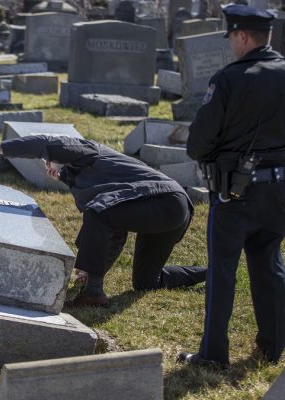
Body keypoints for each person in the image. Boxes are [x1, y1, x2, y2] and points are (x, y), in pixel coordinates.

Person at [0, 135, 206, 307]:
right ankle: (209, 273)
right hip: (175, 207)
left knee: (99, 212)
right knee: (146, 281)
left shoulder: (88, 149)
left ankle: (93, 293)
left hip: (164, 200)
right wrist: (95, 267)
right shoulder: (84, 174)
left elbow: (42, 143)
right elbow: (115, 229)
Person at [178, 5, 285, 367]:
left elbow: (198, 144)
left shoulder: (229, 79)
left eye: (232, 39)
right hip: (280, 191)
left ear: (242, 36)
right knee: (269, 263)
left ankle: (213, 354)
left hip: (234, 192)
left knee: (223, 272)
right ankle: (273, 347)